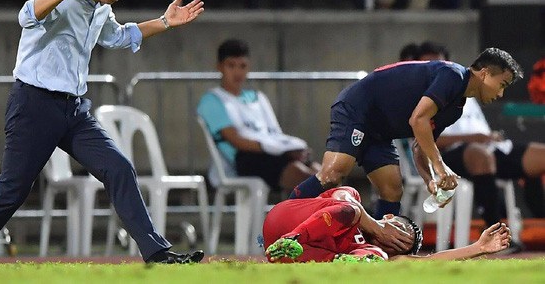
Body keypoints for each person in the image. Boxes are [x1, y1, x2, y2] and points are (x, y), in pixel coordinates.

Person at [0, 0, 205, 264]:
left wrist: (166, 22)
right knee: (11, 192)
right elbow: (26, 17)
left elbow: (120, 36)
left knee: (119, 167)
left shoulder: (101, 8)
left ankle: (157, 253)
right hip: (35, 105)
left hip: (75, 110)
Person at [288, 47, 523, 224]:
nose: (501, 93)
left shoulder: (456, 107)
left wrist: (430, 179)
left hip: (380, 130)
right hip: (357, 109)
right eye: (502, 84)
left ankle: (381, 253)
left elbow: (420, 144)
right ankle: (281, 222)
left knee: (392, 189)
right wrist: (441, 168)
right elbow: (417, 120)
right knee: (332, 174)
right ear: (484, 74)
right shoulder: (453, 75)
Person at [417, 42, 545, 229]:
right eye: (429, 62)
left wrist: (486, 137)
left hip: (490, 148)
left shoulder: (465, 90)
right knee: (480, 155)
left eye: (440, 62)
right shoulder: (423, 96)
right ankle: (494, 229)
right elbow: (423, 139)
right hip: (451, 155)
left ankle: (540, 220)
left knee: (539, 157)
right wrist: (472, 138)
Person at [264, 185, 512, 263]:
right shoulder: (353, 201)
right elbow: (344, 202)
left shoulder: (374, 251)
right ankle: (293, 238)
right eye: (402, 230)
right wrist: (375, 227)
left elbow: (427, 261)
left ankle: (340, 263)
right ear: (389, 218)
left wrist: (477, 248)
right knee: (351, 210)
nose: (399, 240)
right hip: (286, 221)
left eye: (403, 244)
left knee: (375, 258)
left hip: (292, 256)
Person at [197, 39, 321, 193]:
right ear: (220, 67)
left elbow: (275, 134)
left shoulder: (257, 97)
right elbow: (237, 141)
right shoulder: (212, 100)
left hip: (270, 153)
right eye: (231, 65)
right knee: (304, 175)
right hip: (242, 160)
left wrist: (292, 148)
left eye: (242, 66)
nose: (237, 72)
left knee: (320, 170)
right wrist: (280, 149)